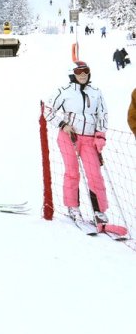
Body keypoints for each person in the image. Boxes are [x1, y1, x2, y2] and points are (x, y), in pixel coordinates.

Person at [46, 61, 110, 225]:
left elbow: (102, 114)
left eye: (85, 71)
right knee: (72, 172)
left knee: (94, 174)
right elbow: (47, 110)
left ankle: (99, 211)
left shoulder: (96, 92)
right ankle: (73, 207)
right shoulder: (64, 92)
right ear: (72, 74)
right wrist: (63, 124)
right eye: (78, 71)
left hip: (89, 139)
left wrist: (100, 135)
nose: (82, 74)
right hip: (69, 137)